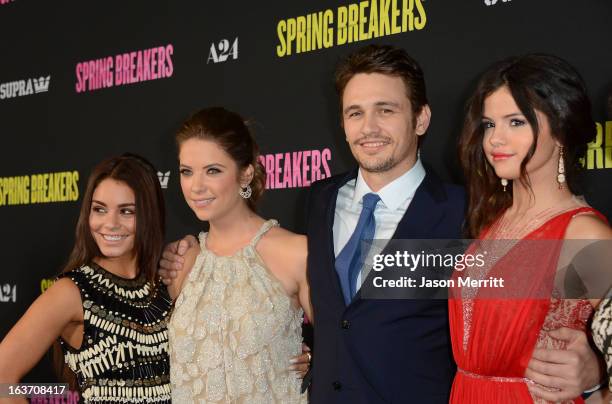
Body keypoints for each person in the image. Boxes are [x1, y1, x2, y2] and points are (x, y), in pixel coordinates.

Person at [161, 45, 604, 403]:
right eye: (355, 113)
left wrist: (596, 372)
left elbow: (567, 318)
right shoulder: (320, 199)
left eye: (386, 110)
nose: (368, 127)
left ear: (421, 118)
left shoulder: (465, 212)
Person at [450, 53, 612, 403]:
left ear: (561, 130)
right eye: (489, 124)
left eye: (516, 122)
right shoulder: (493, 220)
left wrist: (596, 382)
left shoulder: (584, 234)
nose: (494, 139)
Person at [164, 107, 312, 403]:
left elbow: (346, 344)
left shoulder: (295, 252)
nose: (196, 186)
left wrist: (315, 359)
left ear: (245, 173)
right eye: (186, 171)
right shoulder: (184, 261)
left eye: (213, 170)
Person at [0, 154, 173, 403]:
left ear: (150, 215)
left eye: (126, 211)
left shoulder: (166, 283)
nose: (110, 223)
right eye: (99, 209)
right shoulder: (72, 292)